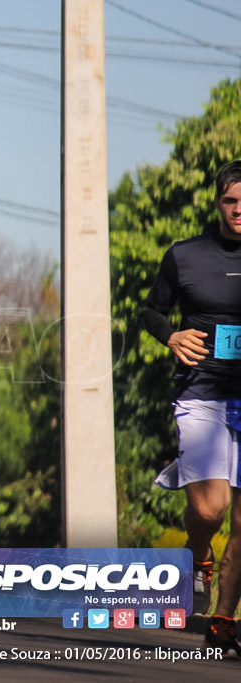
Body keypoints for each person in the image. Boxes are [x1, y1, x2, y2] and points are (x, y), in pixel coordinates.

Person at [142, 160, 241, 657]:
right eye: (231, 201)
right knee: (211, 508)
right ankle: (197, 553)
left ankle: (223, 618)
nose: (240, 210)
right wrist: (171, 334)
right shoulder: (186, 256)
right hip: (202, 393)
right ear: (218, 202)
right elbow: (150, 310)